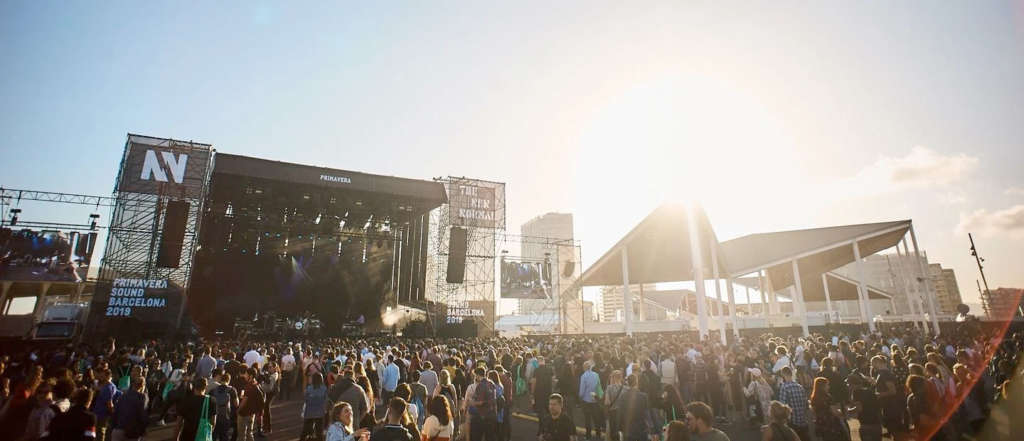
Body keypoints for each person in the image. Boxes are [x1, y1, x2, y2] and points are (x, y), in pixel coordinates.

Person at [177, 377, 217, 441]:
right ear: (205, 387)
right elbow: (213, 422)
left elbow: (179, 422)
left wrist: (176, 437)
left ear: (194, 386)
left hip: (187, 434)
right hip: (203, 436)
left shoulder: (186, 400)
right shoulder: (212, 400)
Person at [110, 376, 149, 441]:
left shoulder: (123, 396)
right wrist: (143, 430)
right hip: (132, 432)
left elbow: (115, 412)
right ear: (142, 386)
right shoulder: (142, 397)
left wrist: (113, 428)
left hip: (118, 430)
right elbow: (143, 414)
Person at [776, 367, 809, 441]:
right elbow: (806, 405)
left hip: (792, 421)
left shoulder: (784, 387)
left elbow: (783, 406)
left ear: (783, 375)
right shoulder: (800, 386)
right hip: (803, 420)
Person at [847, 372, 881, 441]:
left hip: (866, 424)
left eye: (848, 384)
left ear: (852, 384)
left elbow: (859, 408)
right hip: (876, 423)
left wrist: (848, 411)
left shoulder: (856, 392)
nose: (847, 386)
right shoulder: (869, 391)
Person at [619, 375, 652, 441]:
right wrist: (650, 425)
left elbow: (621, 413)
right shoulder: (643, 396)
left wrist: (620, 427)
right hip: (641, 427)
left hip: (628, 427)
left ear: (628, 383)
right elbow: (646, 412)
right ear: (636, 382)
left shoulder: (623, 396)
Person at [468, 367, 497, 441]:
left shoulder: (480, 385)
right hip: (492, 414)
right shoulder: (491, 383)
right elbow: (494, 400)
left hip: (482, 415)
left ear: (477, 375)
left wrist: (472, 402)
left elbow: (480, 402)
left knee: (477, 437)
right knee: (489, 437)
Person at [91, 369, 121, 441]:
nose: (100, 377)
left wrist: (112, 413)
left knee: (100, 434)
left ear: (108, 376)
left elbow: (109, 403)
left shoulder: (107, 388)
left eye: (102, 376)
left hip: (102, 414)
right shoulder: (111, 386)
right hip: (101, 413)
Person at [577, 361, 603, 441]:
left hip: (586, 400)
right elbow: (599, 387)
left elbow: (582, 390)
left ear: (584, 368)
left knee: (587, 419)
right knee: (596, 418)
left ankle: (588, 436)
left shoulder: (583, 376)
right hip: (594, 399)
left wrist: (580, 397)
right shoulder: (596, 375)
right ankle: (598, 434)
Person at [238, 367, 265, 441]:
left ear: (251, 376)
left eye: (246, 374)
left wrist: (238, 410)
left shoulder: (249, 386)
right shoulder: (256, 384)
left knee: (241, 435)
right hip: (252, 413)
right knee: (249, 433)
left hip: (244, 413)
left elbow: (244, 400)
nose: (244, 375)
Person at [301, 372, 330, 441]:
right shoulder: (324, 389)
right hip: (320, 412)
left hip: (309, 412)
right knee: (319, 432)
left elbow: (305, 399)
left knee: (305, 431)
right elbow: (326, 400)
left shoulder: (309, 388)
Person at [212, 372, 240, 441]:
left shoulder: (214, 390)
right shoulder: (232, 390)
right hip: (227, 417)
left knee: (213, 436)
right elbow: (236, 404)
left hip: (215, 417)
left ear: (221, 380)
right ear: (229, 380)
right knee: (224, 435)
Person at [603, 370, 626, 441]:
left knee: (614, 432)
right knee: (622, 431)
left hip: (613, 412)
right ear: (621, 378)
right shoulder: (626, 388)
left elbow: (607, 402)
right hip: (623, 413)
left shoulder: (609, 388)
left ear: (613, 378)